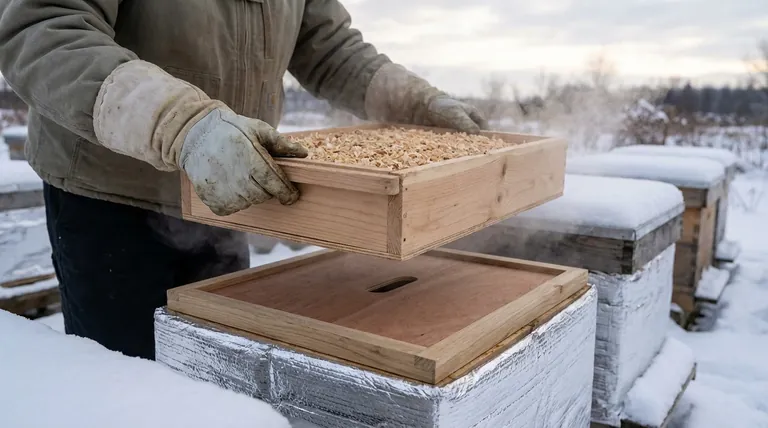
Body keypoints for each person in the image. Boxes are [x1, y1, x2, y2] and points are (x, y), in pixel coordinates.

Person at [0, 0, 488, 360]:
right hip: (110, 195)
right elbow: (45, 29)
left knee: (225, 369)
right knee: (128, 387)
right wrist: (180, 124)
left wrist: (412, 102)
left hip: (231, 190)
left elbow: (331, 50)